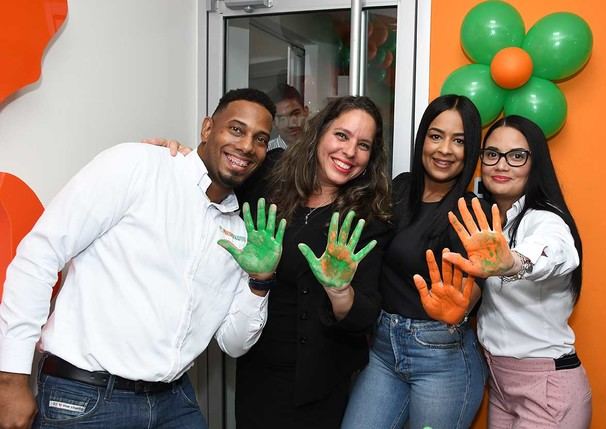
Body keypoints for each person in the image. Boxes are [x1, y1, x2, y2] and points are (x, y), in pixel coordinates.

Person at [0, 88, 287, 429]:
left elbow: (233, 343)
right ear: (208, 129)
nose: (246, 146)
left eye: (259, 139)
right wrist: (11, 379)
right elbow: (40, 254)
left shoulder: (240, 234)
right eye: (236, 129)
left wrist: (260, 282)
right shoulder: (138, 166)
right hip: (87, 399)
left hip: (174, 401)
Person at [234, 95, 392, 429]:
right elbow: (222, 169)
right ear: (319, 133)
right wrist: (171, 153)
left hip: (318, 387)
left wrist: (339, 290)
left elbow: (364, 314)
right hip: (257, 374)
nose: (349, 152)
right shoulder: (269, 179)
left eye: (363, 145)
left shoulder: (366, 218)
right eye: (342, 135)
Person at [341, 94, 488, 429]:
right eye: (436, 136)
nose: (445, 150)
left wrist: (464, 307)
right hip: (382, 348)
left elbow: (476, 281)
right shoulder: (400, 187)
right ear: (423, 138)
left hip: (441, 355)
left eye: (459, 141)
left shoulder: (469, 211)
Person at [443, 115, 592, 428]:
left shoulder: (546, 219)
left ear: (534, 163)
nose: (501, 165)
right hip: (499, 384)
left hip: (547, 388)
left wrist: (513, 262)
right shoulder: (498, 221)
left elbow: (557, 252)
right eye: (492, 154)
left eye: (517, 156)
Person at [266, 83, 309, 151]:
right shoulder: (264, 154)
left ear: (306, 112)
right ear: (273, 123)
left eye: (295, 114)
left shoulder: (321, 148)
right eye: (281, 119)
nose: (290, 124)